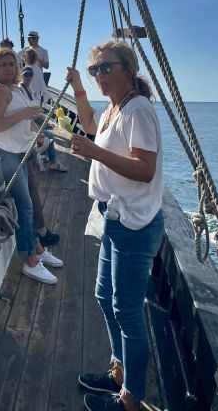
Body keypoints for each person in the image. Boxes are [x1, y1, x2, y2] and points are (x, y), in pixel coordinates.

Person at [66, 39, 164, 411]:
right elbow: (89, 122)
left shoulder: (138, 110)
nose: (99, 75)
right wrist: (77, 84)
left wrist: (94, 152)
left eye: (106, 68)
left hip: (135, 225)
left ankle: (130, 400)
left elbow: (145, 169)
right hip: (114, 216)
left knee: (126, 310)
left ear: (129, 68)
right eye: (95, 70)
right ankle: (120, 371)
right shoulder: (113, 108)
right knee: (104, 297)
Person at [0, 47, 63, 283]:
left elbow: (20, 124)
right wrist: (25, 113)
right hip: (4, 152)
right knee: (25, 205)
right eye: (3, 65)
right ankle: (30, 261)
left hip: (19, 151)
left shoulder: (17, 89)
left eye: (11, 64)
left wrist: (35, 134)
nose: (8, 68)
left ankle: (38, 250)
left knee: (27, 205)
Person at [19, 66, 67, 173]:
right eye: (25, 75)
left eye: (29, 75)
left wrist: (40, 115)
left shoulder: (29, 89)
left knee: (47, 130)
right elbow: (24, 110)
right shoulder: (20, 89)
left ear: (32, 77)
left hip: (32, 120)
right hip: (26, 124)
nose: (27, 77)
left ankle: (46, 157)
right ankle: (52, 162)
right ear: (21, 76)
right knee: (49, 136)